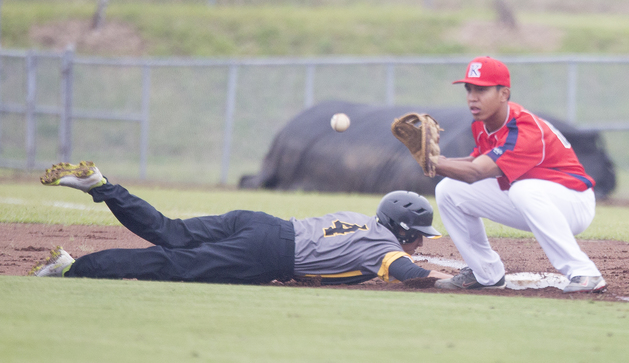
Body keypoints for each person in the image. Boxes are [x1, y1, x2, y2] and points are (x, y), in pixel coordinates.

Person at [31, 161, 452, 285]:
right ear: (402, 231)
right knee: (168, 264)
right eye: (417, 236)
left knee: (170, 231)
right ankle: (70, 266)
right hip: (267, 253)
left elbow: (329, 263)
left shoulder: (362, 221)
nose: (420, 243)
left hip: (259, 222)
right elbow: (410, 274)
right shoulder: (386, 249)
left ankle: (101, 185)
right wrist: (457, 279)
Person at [432, 56, 606, 294]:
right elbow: (475, 161)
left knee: (522, 190)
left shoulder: (524, 129)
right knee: (449, 189)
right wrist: (438, 161)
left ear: (504, 94)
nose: (472, 96)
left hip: (572, 201)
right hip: (531, 199)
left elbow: (476, 172)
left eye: (481, 89)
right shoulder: (483, 124)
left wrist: (432, 162)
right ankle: (485, 274)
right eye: (469, 89)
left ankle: (585, 272)